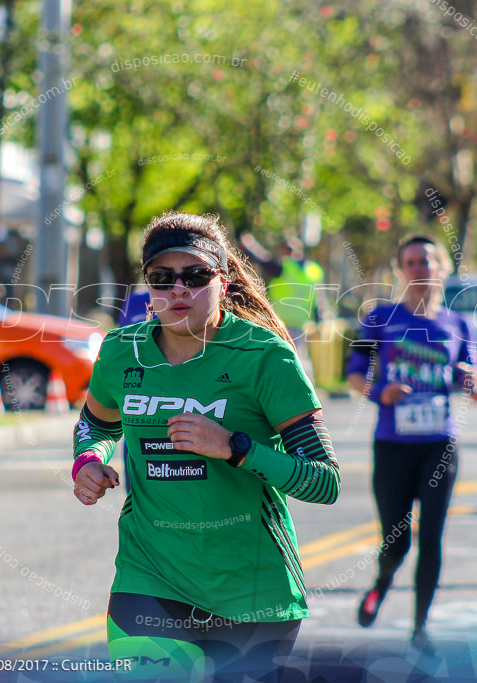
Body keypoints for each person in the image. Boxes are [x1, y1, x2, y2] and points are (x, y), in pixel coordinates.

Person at [71, 211, 340, 682]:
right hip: (150, 575)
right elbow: (94, 424)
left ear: (224, 280)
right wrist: (89, 460)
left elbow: (324, 482)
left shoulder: (265, 356)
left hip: (252, 591)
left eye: (195, 276)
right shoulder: (120, 350)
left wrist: (236, 448)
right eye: (162, 278)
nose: (178, 291)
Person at [345, 235, 477, 652]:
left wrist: (469, 378)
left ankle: (421, 627)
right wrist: (378, 390)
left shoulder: (459, 325)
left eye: (427, 261)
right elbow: (354, 375)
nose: (420, 269)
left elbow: (475, 375)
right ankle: (381, 584)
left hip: (439, 444)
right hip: (392, 444)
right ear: (400, 270)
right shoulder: (379, 318)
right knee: (396, 540)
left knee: (433, 537)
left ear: (440, 268)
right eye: (411, 262)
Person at [239, 233, 326, 378]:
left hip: (282, 320)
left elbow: (262, 259)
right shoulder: (313, 270)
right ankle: (308, 385)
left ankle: (297, 386)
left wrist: (249, 244)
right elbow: (319, 298)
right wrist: (319, 320)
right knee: (298, 354)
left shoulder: (285, 267)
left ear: (285, 251)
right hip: (301, 321)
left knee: (286, 355)